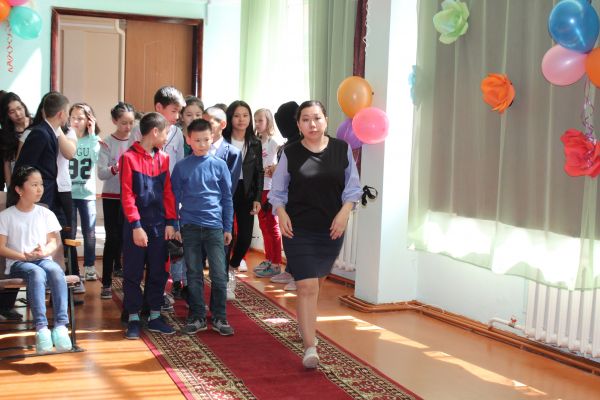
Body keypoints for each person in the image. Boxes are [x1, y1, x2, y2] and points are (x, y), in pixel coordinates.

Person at [268, 100, 361, 369]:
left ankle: (304, 325)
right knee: (306, 286)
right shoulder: (291, 152)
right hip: (297, 229)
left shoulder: (342, 149)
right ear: (298, 125)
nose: (312, 124)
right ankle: (311, 347)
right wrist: (281, 212)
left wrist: (344, 213)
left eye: (317, 118)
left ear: (326, 120)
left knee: (315, 284)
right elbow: (278, 190)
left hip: (331, 230)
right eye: (306, 119)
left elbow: (352, 188)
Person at [171, 118, 234, 336]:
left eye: (206, 139)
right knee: (193, 273)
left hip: (215, 227)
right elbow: (173, 198)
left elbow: (227, 198)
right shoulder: (181, 167)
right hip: (189, 226)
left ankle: (219, 316)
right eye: (197, 140)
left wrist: (228, 227)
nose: (202, 144)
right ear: (188, 140)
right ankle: (197, 316)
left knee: (219, 274)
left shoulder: (220, 165)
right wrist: (175, 224)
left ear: (212, 138)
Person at [0, 166, 73, 354]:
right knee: (36, 273)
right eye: (34, 185)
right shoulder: (6, 216)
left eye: (41, 184)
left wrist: (43, 252)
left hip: (42, 259)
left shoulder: (46, 213)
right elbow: (1, 247)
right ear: (19, 189)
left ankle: (61, 327)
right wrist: (23, 256)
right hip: (18, 263)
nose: (40, 189)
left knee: (55, 270)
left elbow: (53, 242)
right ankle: (41, 328)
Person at [120, 112, 177, 339]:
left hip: (159, 226)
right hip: (136, 226)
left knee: (158, 272)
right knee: (133, 272)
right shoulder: (128, 158)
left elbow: (168, 192)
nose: (166, 138)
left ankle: (155, 316)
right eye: (165, 133)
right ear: (155, 132)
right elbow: (127, 195)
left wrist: (171, 222)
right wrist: (136, 225)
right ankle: (133, 318)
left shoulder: (164, 158)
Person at [203, 106, 241, 300]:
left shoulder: (232, 152)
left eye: (209, 123)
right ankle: (194, 295)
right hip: (196, 211)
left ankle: (221, 289)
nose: (204, 126)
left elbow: (229, 187)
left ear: (222, 125)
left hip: (219, 212)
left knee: (220, 254)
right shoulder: (197, 148)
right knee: (197, 255)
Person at [97, 102, 135, 299]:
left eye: (131, 123)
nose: (128, 127)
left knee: (128, 238)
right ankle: (106, 282)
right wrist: (116, 167)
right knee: (112, 238)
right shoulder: (106, 143)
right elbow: (101, 173)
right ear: (114, 121)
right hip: (112, 196)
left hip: (131, 197)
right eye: (123, 123)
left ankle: (129, 280)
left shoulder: (136, 141)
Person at [169, 96, 204, 299]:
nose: (193, 118)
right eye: (189, 114)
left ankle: (189, 283)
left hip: (194, 195)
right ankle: (176, 280)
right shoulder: (174, 135)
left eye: (198, 114)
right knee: (177, 238)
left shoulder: (203, 138)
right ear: (182, 116)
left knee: (192, 241)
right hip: (175, 189)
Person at [223, 101, 263, 275]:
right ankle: (223, 274)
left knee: (246, 238)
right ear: (230, 118)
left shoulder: (255, 142)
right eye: (237, 116)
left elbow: (259, 171)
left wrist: (257, 198)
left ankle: (232, 265)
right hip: (226, 191)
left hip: (246, 192)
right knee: (226, 235)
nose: (241, 119)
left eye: (245, 115)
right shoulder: (223, 140)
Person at [14, 92, 70, 209]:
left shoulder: (50, 131)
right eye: (67, 112)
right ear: (61, 114)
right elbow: (24, 166)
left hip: (49, 192)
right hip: (38, 195)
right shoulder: (41, 133)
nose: (68, 116)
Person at [269, 101, 302, 290]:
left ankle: (300, 276)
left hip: (299, 197)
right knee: (288, 235)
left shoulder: (302, 142)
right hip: (286, 197)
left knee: (297, 237)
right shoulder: (288, 143)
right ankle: (290, 270)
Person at [68, 103, 101, 282]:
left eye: (80, 118)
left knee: (90, 232)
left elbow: (97, 158)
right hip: (69, 193)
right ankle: (73, 268)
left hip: (87, 194)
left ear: (89, 120)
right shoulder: (66, 138)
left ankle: (89, 266)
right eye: (73, 117)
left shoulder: (93, 139)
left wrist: (93, 133)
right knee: (70, 234)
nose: (76, 121)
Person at [253, 108, 284, 278]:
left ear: (268, 122)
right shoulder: (254, 142)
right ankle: (269, 259)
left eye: (260, 120)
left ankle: (277, 262)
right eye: (255, 120)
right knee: (263, 225)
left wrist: (273, 170)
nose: (257, 124)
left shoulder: (274, 143)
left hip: (270, 189)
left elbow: (281, 167)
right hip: (258, 190)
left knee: (272, 225)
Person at [0, 93, 31, 187]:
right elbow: (7, 163)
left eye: (19, 108)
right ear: (7, 115)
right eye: (12, 112)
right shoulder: (6, 133)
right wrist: (10, 187)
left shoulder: (35, 125)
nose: (18, 114)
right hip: (18, 178)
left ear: (24, 107)